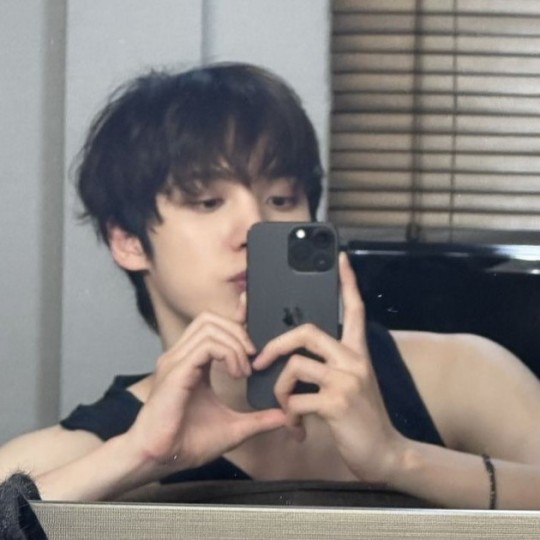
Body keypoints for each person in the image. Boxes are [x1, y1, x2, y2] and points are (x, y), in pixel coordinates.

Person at [1, 62, 540, 510]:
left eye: (281, 199)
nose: (253, 227)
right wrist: (137, 455)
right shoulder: (90, 444)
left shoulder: (460, 372)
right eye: (208, 202)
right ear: (127, 241)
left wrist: (399, 458)